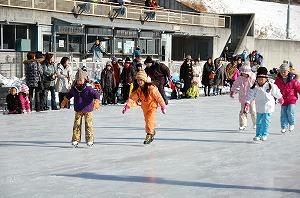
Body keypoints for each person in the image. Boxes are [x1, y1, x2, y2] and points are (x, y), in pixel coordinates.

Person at [122, 70, 166, 144]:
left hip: (152, 106)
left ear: (144, 80)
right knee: (147, 121)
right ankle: (152, 131)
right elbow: (133, 98)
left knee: (149, 120)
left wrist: (163, 106)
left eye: (141, 80)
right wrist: (127, 106)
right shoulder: (139, 90)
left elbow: (158, 97)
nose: (139, 82)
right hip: (145, 107)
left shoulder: (151, 88)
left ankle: (149, 134)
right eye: (138, 80)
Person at [61, 68, 100, 147]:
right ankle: (75, 139)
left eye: (81, 79)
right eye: (78, 80)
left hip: (88, 109)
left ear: (85, 79)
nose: (79, 81)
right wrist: (65, 100)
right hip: (78, 109)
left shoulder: (89, 88)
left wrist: (96, 101)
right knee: (76, 125)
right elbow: (69, 95)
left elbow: (96, 94)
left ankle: (89, 140)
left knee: (89, 125)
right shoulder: (74, 88)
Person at [245, 67, 283, 142]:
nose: (260, 81)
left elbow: (276, 92)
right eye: (259, 79)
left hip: (269, 107)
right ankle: (258, 135)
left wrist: (280, 98)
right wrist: (247, 103)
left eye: (262, 79)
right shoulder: (255, 87)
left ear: (266, 79)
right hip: (259, 107)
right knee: (258, 122)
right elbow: (250, 95)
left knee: (265, 122)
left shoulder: (270, 86)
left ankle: (264, 134)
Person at [230, 62, 256, 131]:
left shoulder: (252, 77)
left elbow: (256, 86)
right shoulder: (240, 78)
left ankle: (256, 123)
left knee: (253, 111)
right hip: (243, 97)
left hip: (251, 98)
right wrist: (233, 91)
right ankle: (242, 125)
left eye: (245, 72)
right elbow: (235, 84)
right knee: (243, 111)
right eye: (243, 72)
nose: (244, 74)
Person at [275, 63, 300, 133]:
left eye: (284, 71)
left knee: (290, 111)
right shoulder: (278, 80)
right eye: (281, 71)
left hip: (292, 98)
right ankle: (284, 126)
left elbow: (298, 87)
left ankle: (291, 123)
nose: (283, 73)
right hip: (283, 99)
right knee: (283, 113)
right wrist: (273, 97)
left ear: (288, 71)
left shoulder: (293, 80)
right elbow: (274, 89)